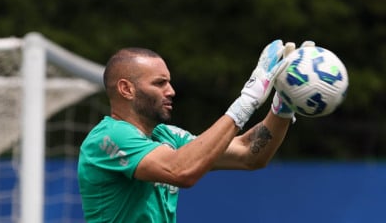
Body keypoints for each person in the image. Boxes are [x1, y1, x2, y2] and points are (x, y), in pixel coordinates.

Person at [78, 40, 305, 222]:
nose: (171, 91)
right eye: (160, 83)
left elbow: (249, 154)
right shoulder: (109, 136)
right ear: (127, 89)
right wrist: (247, 100)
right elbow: (180, 171)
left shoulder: (165, 135)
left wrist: (283, 106)